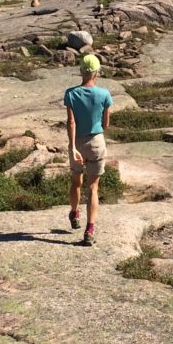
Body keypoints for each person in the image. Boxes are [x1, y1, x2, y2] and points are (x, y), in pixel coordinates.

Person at [63, 53, 111, 246]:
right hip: (96, 142)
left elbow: (71, 122)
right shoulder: (104, 94)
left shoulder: (71, 94)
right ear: (96, 73)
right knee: (93, 187)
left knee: (76, 181)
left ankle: (75, 213)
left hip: (78, 143)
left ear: (81, 71)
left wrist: (73, 146)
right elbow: (106, 124)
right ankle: (89, 230)